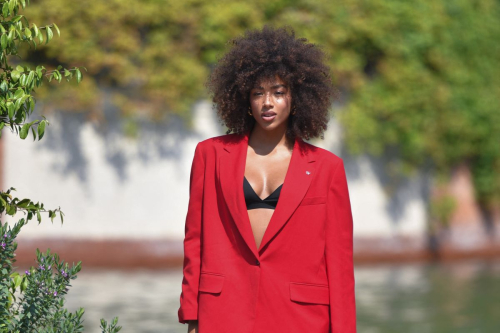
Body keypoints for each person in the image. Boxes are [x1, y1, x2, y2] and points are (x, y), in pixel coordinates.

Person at [178, 25, 356, 333]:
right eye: (257, 93)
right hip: (223, 311)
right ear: (245, 99)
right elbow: (196, 239)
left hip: (300, 317)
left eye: (278, 92)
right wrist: (191, 313)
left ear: (296, 97)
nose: (267, 103)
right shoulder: (210, 155)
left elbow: (339, 263)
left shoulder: (327, 167)